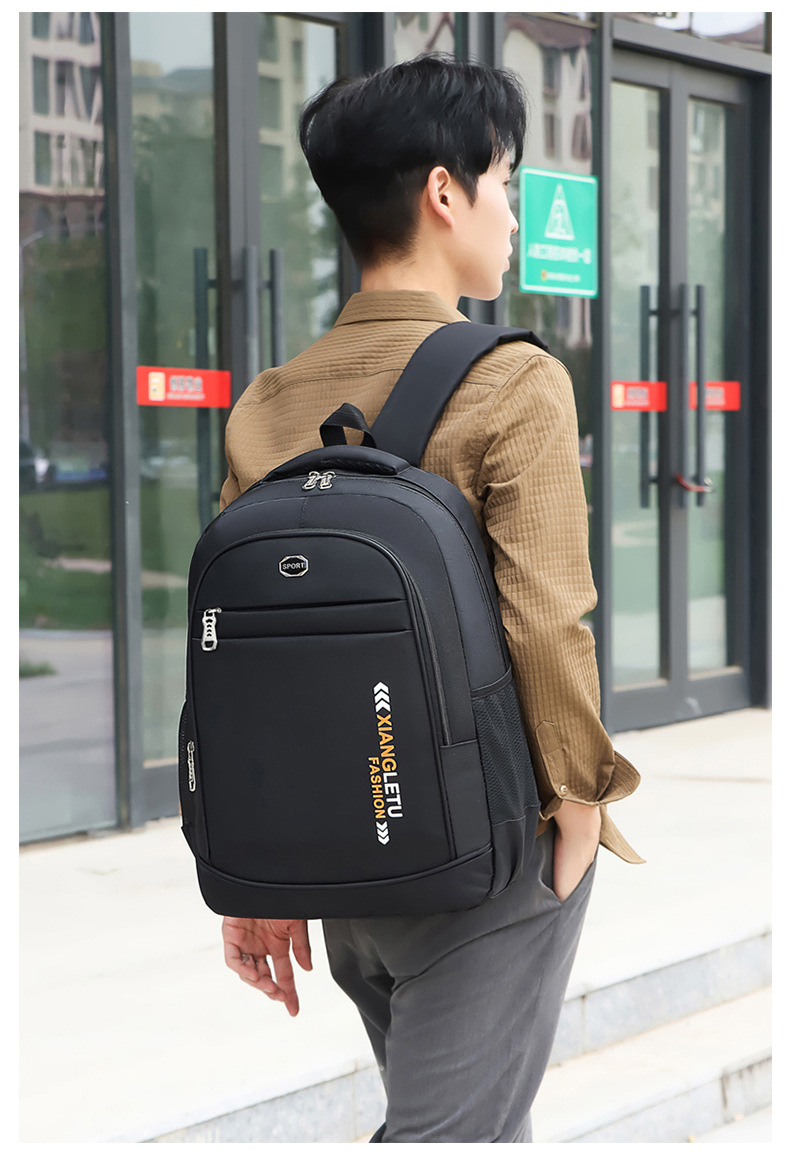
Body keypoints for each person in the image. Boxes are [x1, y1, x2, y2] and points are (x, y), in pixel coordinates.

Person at [218, 53, 643, 1143]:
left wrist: (253, 871)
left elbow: (238, 660)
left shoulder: (270, 399)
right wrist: (580, 802)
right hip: (481, 844)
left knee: (473, 1120)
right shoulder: (512, 378)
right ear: (443, 192)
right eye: (505, 181)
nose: (514, 212)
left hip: (334, 847)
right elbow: (547, 617)